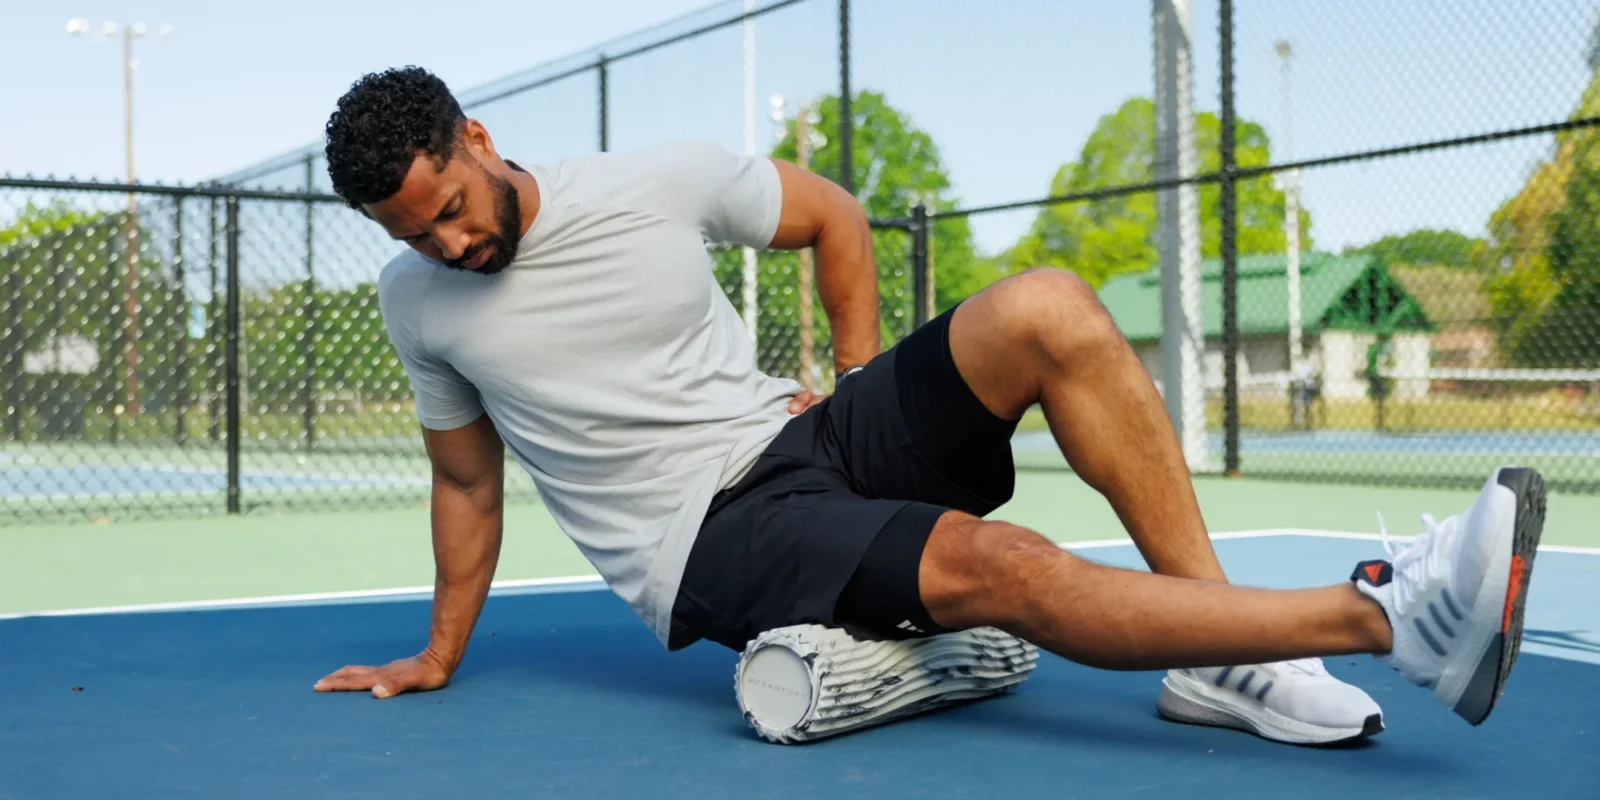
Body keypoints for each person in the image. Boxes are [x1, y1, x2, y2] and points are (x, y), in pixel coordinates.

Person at [311, 67, 1546, 745]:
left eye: (452, 206)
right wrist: (436, 651)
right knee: (1002, 563)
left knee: (1049, 305)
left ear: (473, 135)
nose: (450, 242)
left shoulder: (651, 180)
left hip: (801, 437)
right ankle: (1391, 621)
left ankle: (1216, 662)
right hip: (710, 540)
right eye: (415, 233)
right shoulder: (417, 304)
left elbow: (832, 215)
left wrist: (854, 377)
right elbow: (468, 481)